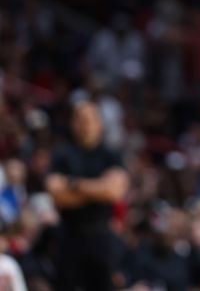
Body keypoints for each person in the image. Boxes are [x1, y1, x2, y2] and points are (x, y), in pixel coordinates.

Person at [45, 99, 129, 291]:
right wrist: (99, 188)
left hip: (101, 238)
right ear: (72, 123)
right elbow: (58, 196)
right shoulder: (62, 155)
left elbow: (114, 192)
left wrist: (74, 184)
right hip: (69, 236)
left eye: (88, 119)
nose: (83, 124)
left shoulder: (111, 155)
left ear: (99, 123)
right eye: (78, 119)